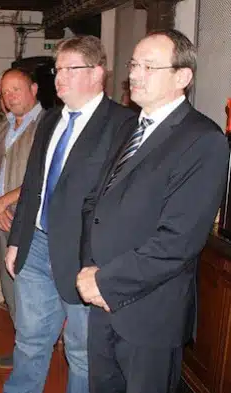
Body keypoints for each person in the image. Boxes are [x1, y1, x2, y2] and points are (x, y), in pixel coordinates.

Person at [77, 29, 228, 393]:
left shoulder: (203, 140)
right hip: (101, 297)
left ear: (182, 77)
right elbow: (95, 203)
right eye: (133, 64)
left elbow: (178, 242)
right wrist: (88, 269)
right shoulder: (130, 126)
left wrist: (104, 282)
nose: (134, 74)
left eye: (149, 66)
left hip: (148, 312)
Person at [3, 35, 135, 393]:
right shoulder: (49, 120)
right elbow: (33, 185)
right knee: (29, 341)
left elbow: (119, 203)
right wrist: (18, 240)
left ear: (96, 73)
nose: (58, 78)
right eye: (56, 69)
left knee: (81, 351)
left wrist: (102, 266)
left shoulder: (124, 125)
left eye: (68, 69)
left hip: (84, 257)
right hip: (36, 248)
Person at [0, 68, 45, 369]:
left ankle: (34, 353)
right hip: (3, 218)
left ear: (34, 88)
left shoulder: (48, 126)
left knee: (32, 290)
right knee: (10, 288)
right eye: (5, 92)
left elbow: (42, 177)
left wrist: (3, 202)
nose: (10, 96)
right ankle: (24, 348)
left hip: (34, 222)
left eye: (16, 89)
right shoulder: (0, 129)